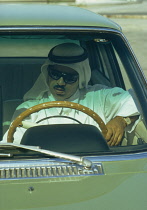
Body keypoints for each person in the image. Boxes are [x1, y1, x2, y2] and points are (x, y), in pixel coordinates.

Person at [3, 43, 139, 146]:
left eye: (69, 77)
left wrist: (122, 120)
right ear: (47, 74)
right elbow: (12, 146)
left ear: (82, 76)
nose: (60, 82)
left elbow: (138, 97)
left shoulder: (99, 97)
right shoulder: (28, 109)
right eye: (55, 75)